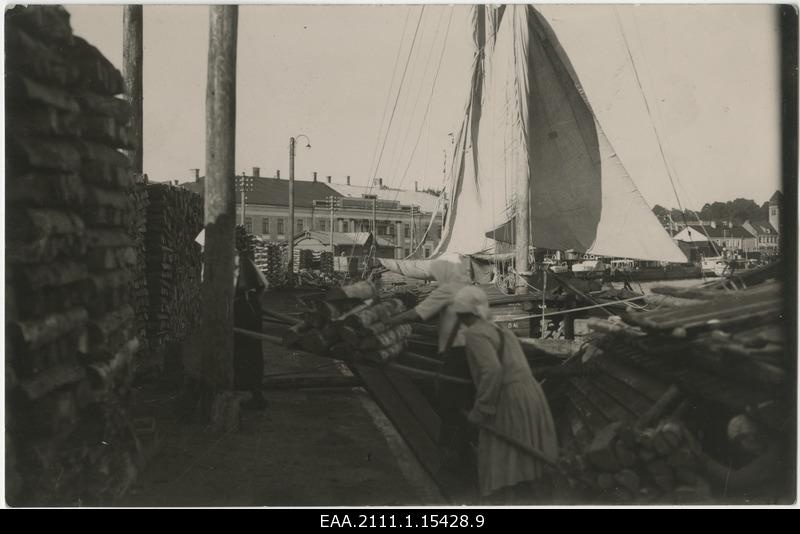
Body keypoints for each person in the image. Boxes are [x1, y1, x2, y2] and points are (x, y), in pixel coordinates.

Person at [452, 285, 559, 503]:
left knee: (502, 461)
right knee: (526, 459)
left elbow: (492, 371)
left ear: (462, 314)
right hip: (530, 393)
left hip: (510, 398)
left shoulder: (474, 334)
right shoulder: (499, 329)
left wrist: (481, 410)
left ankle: (506, 502)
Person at [386, 254, 474, 465]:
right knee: (464, 400)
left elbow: (415, 314)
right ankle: (464, 450)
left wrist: (388, 322)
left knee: (449, 402)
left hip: (458, 354)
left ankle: (452, 454)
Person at [690, 414, 789, 503]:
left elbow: (736, 480)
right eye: (738, 443)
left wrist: (702, 457)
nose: (743, 446)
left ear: (752, 434)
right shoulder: (771, 449)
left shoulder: (775, 451)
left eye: (742, 439)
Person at [234, 252, 269, 410]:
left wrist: (253, 305)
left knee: (249, 351)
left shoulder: (241, 260)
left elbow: (263, 285)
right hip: (239, 307)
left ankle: (254, 393)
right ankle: (248, 390)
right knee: (242, 352)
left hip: (244, 309)